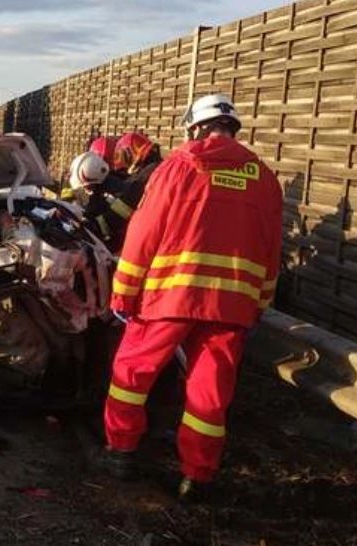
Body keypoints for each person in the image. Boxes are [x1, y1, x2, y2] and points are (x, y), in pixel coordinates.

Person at [101, 94, 283, 501]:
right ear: (232, 128)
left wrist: (124, 294)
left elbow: (142, 235)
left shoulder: (178, 168)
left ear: (195, 128)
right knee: (210, 391)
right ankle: (197, 477)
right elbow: (272, 248)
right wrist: (260, 301)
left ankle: (122, 453)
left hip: (169, 298)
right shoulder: (264, 179)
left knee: (132, 376)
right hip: (231, 305)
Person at [84, 133, 162, 251]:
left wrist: (93, 227)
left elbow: (119, 212)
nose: (121, 164)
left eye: (121, 156)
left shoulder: (140, 180)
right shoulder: (158, 167)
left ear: (130, 154)